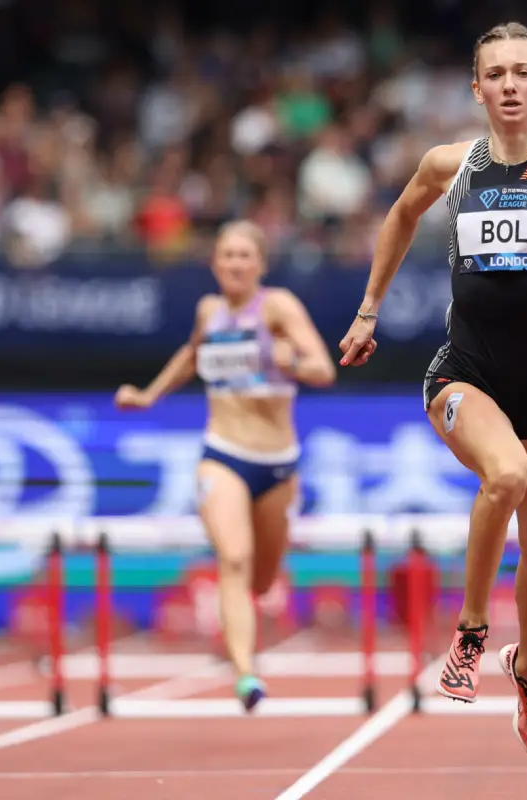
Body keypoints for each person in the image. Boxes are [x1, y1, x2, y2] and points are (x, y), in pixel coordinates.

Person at [338, 21, 527, 757]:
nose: (508, 85)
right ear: (476, 88)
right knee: (505, 475)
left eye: (521, 72)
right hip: (465, 373)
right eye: (494, 73)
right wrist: (368, 309)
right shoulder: (451, 164)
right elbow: (400, 215)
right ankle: (471, 631)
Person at [115, 220, 335, 711]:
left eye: (243, 256)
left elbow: (323, 368)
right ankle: (246, 675)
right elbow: (192, 356)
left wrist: (286, 360)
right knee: (233, 560)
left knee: (260, 578)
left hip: (277, 464)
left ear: (260, 264)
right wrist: (148, 395)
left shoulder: (277, 307)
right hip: (223, 454)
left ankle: (241, 637)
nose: (234, 264)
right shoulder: (209, 310)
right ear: (214, 264)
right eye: (226, 255)